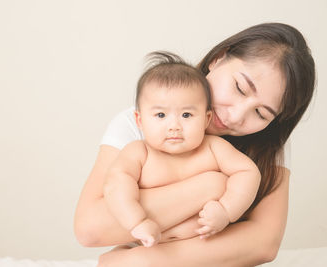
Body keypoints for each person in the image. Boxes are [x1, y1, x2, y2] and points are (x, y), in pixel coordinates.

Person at [74, 22, 315, 267]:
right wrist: (212, 185)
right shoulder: (141, 125)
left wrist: (143, 261)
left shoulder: (264, 145)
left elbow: (264, 244)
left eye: (261, 114)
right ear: (219, 58)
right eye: (240, 88)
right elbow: (89, 229)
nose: (236, 116)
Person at [103, 52, 261, 248]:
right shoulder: (137, 153)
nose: (174, 126)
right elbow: (115, 186)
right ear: (140, 121)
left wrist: (226, 210)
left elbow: (248, 172)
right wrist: (136, 222)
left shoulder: (214, 148)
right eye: (160, 115)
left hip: (201, 248)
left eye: (186, 114)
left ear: (206, 119)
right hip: (146, 246)